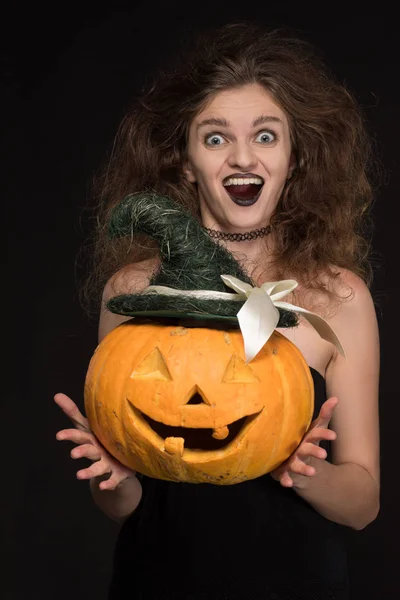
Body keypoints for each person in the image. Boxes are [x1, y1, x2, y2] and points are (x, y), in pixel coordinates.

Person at [54, 22, 380, 599]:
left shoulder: (340, 299)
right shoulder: (130, 290)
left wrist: (304, 473)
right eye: (214, 138)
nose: (241, 156)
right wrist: (114, 480)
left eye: (265, 136)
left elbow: (363, 506)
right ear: (185, 163)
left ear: (294, 158)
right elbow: (125, 506)